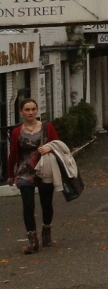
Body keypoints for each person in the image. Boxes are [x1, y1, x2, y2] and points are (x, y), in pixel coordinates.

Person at [6, 97, 58, 254]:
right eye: (27, 110)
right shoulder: (17, 132)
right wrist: (10, 174)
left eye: (33, 109)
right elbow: (13, 153)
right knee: (28, 206)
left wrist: (49, 148)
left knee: (46, 203)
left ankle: (46, 230)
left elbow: (58, 144)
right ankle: (33, 240)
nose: (30, 112)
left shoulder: (47, 127)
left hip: (44, 170)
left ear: (37, 110)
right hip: (25, 172)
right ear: (21, 112)